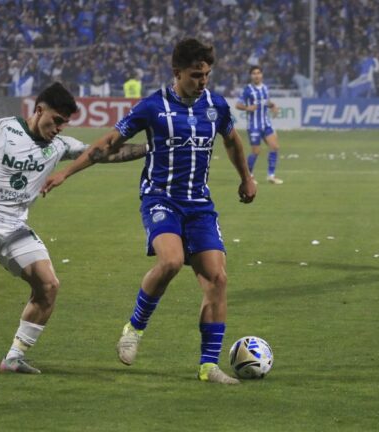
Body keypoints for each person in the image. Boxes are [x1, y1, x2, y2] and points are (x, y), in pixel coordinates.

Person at [42, 38, 257, 384]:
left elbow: (232, 141)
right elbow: (106, 145)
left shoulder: (217, 106)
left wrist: (247, 178)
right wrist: (65, 172)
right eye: (195, 75)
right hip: (160, 200)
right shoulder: (152, 107)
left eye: (206, 75)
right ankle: (134, 327)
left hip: (199, 205)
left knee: (217, 279)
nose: (202, 81)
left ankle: (208, 366)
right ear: (177, 73)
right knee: (170, 261)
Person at [0, 82, 146, 376]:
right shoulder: (2, 129)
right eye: (56, 120)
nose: (59, 128)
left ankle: (14, 357)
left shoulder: (60, 146)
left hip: (15, 225)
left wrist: (150, 147)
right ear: (39, 109)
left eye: (64, 124)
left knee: (48, 286)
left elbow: (104, 153)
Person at [235, 65, 283, 185]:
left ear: (262, 75)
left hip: (266, 124)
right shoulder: (248, 90)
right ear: (251, 76)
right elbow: (237, 105)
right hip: (254, 125)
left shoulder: (265, 88)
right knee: (256, 152)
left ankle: (271, 176)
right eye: (254, 73)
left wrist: (273, 106)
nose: (256, 75)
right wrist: (247, 108)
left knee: (275, 147)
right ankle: (248, 176)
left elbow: (266, 102)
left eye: (258, 73)